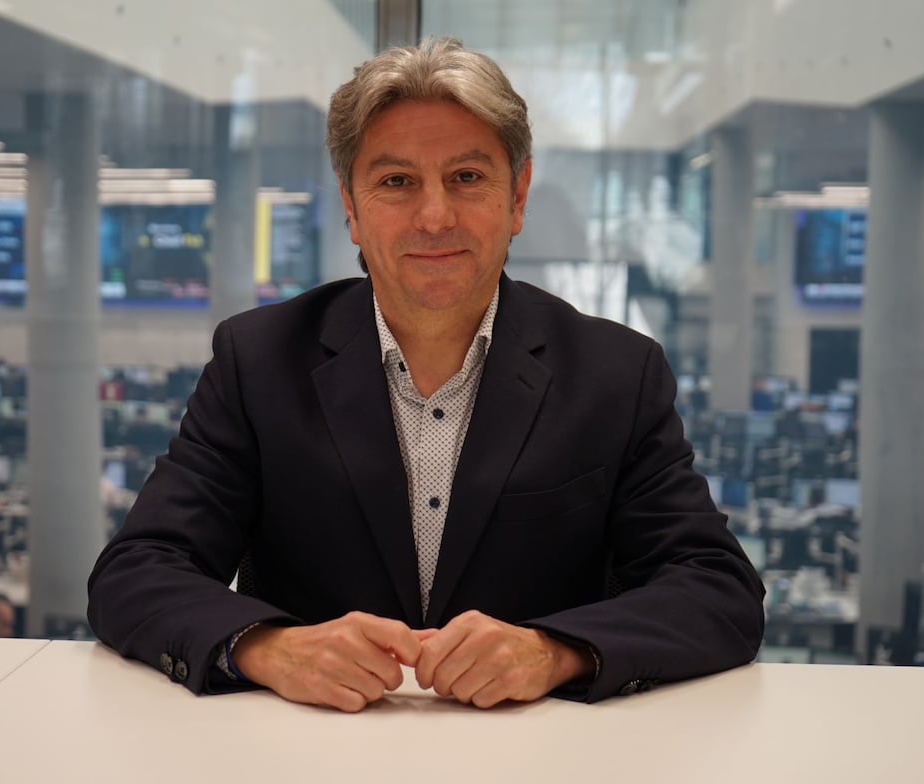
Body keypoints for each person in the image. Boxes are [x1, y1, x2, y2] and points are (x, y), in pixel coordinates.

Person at [87, 37, 764, 712]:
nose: (435, 216)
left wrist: (555, 652)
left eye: (466, 177)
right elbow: (136, 571)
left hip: (538, 750)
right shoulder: (258, 361)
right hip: (313, 747)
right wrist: (269, 647)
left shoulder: (615, 374)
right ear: (351, 208)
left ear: (517, 197)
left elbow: (717, 588)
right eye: (396, 182)